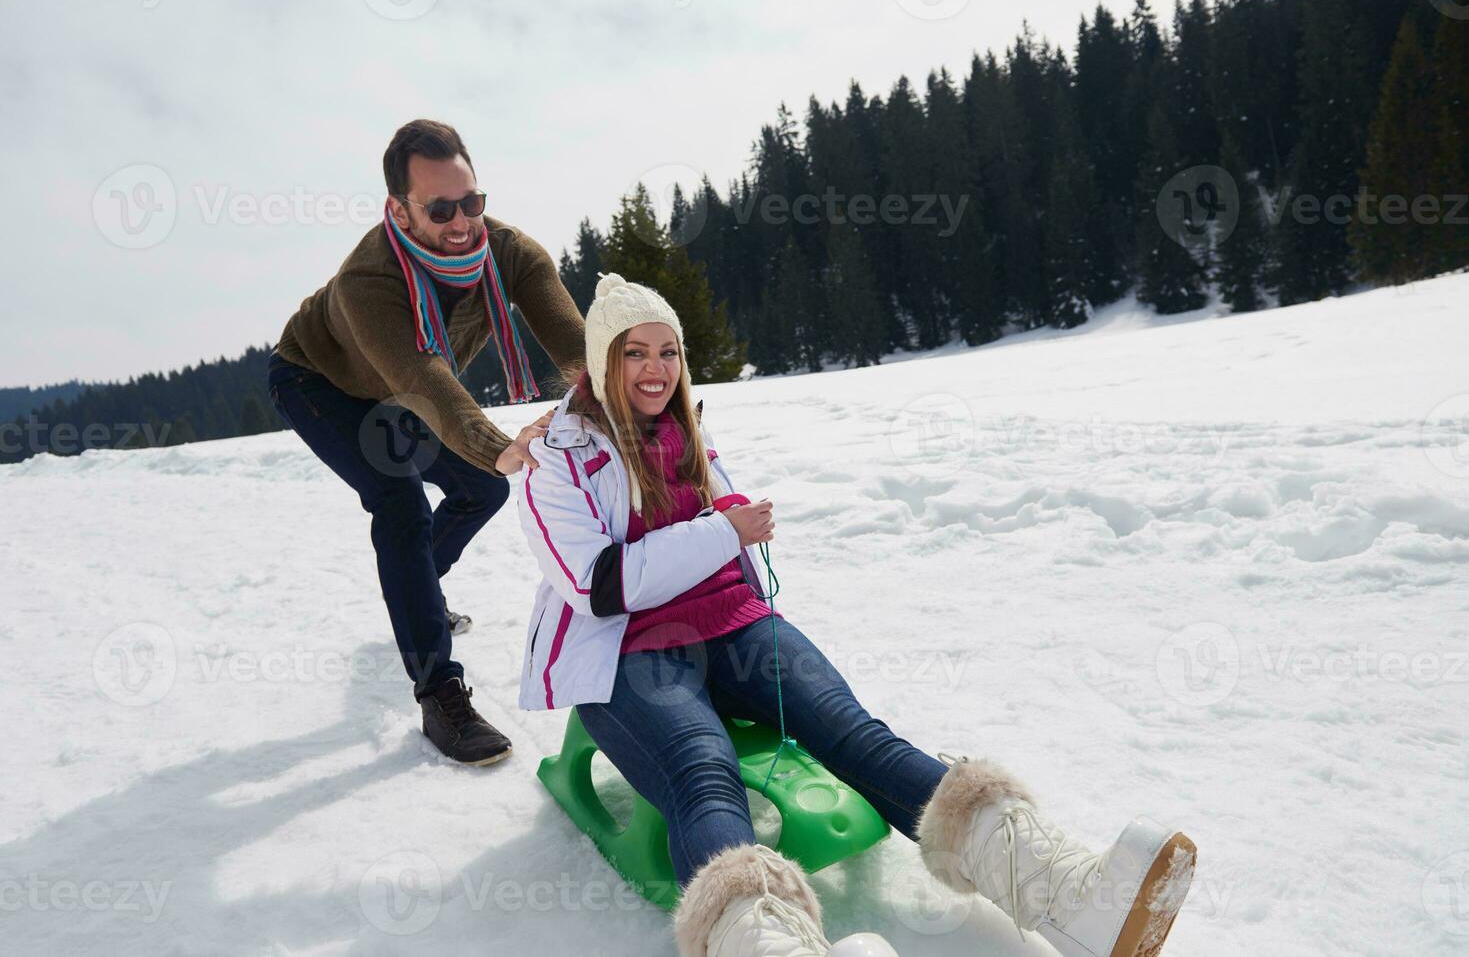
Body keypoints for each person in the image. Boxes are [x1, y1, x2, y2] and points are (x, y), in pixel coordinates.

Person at [514, 274, 1198, 957]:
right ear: (604, 364)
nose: (656, 370)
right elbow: (598, 584)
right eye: (635, 353)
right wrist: (723, 532)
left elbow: (717, 520)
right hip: (626, 652)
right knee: (703, 770)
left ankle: (1065, 897)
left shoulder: (688, 432)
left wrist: (727, 523)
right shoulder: (556, 457)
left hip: (734, 623)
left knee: (855, 734)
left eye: (669, 352)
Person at [268, 119, 583, 765]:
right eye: (441, 209)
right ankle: (439, 693)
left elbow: (574, 343)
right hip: (319, 383)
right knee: (400, 500)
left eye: (472, 202)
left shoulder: (504, 251)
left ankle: (419, 592)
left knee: (481, 487)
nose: (463, 222)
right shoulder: (368, 280)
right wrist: (501, 442)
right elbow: (421, 380)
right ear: (399, 210)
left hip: (396, 392)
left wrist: (619, 398)